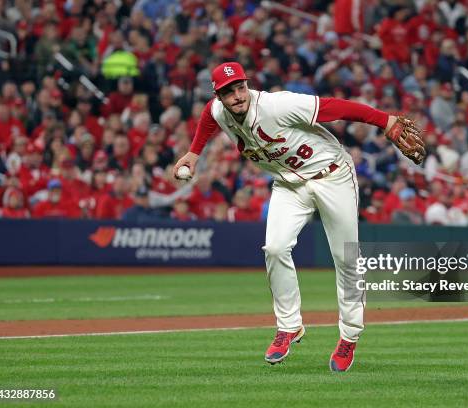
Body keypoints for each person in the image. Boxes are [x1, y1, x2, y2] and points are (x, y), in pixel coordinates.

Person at [173, 62, 424, 372]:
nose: (237, 95)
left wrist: (384, 120)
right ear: (219, 95)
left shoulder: (278, 105)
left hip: (332, 176)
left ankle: (349, 336)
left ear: (246, 84)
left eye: (240, 87)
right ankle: (289, 326)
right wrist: (194, 152)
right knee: (275, 248)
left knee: (346, 258)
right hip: (289, 184)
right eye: (228, 91)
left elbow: (336, 107)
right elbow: (209, 117)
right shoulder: (219, 110)